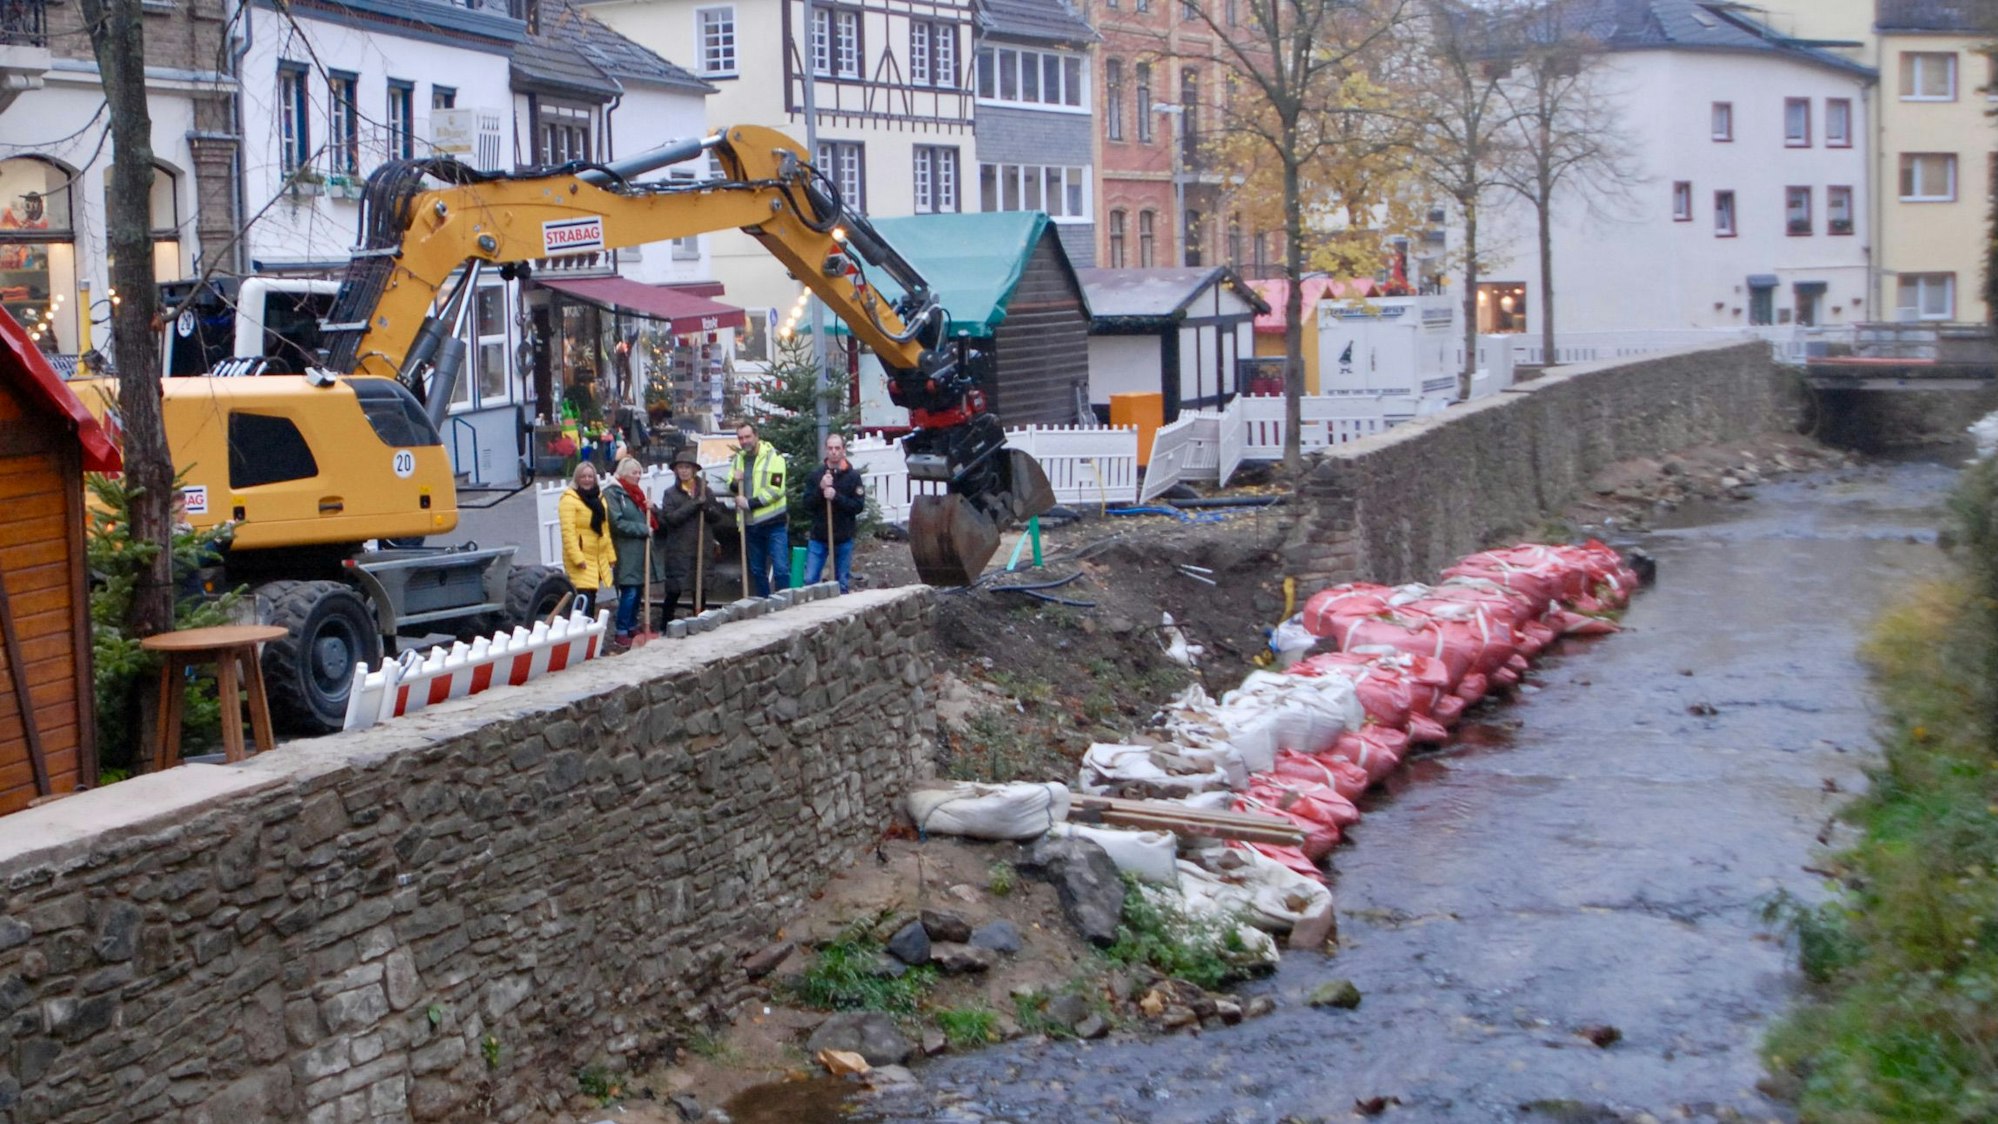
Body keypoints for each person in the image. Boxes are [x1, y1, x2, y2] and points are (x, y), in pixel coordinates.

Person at [654, 453, 730, 621]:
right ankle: (666, 624)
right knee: (675, 589)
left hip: (701, 547)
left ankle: (700, 621)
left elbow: (717, 516)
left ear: (694, 470)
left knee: (699, 587)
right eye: (680, 467)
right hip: (679, 549)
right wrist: (694, 504)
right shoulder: (671, 494)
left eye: (687, 467)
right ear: (675, 471)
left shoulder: (705, 491)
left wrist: (707, 508)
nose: (684, 471)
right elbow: (671, 519)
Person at [603, 456, 664, 645]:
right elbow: (617, 523)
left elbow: (644, 517)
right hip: (625, 550)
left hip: (640, 551)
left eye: (639, 472)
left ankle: (631, 627)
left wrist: (651, 510)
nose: (637, 476)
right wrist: (643, 530)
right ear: (623, 473)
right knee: (629, 591)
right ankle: (621, 631)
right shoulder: (613, 494)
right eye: (633, 473)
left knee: (637, 590)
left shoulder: (635, 494)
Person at [726, 420, 790, 596]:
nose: (744, 441)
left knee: (781, 569)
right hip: (750, 524)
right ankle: (764, 606)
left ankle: (786, 606)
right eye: (741, 438)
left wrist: (750, 503)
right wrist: (734, 482)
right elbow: (730, 486)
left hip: (773, 522)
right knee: (757, 570)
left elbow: (776, 490)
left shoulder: (773, 457)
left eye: (747, 436)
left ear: (756, 436)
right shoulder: (738, 459)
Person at [802, 433, 866, 594]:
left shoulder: (853, 477)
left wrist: (836, 496)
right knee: (810, 579)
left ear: (843, 450)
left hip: (843, 537)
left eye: (837, 448)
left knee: (841, 583)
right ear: (826, 450)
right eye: (830, 448)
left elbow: (858, 506)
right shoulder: (816, 475)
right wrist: (820, 489)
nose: (834, 452)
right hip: (819, 537)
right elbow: (807, 504)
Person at [558, 460, 617, 631]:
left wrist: (611, 556)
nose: (587, 480)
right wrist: (577, 558)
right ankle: (579, 631)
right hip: (581, 556)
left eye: (590, 476)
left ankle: (588, 630)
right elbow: (567, 533)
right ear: (577, 478)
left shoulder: (599, 498)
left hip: (597, 557)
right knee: (583, 596)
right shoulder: (569, 500)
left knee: (592, 594)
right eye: (583, 476)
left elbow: (604, 530)